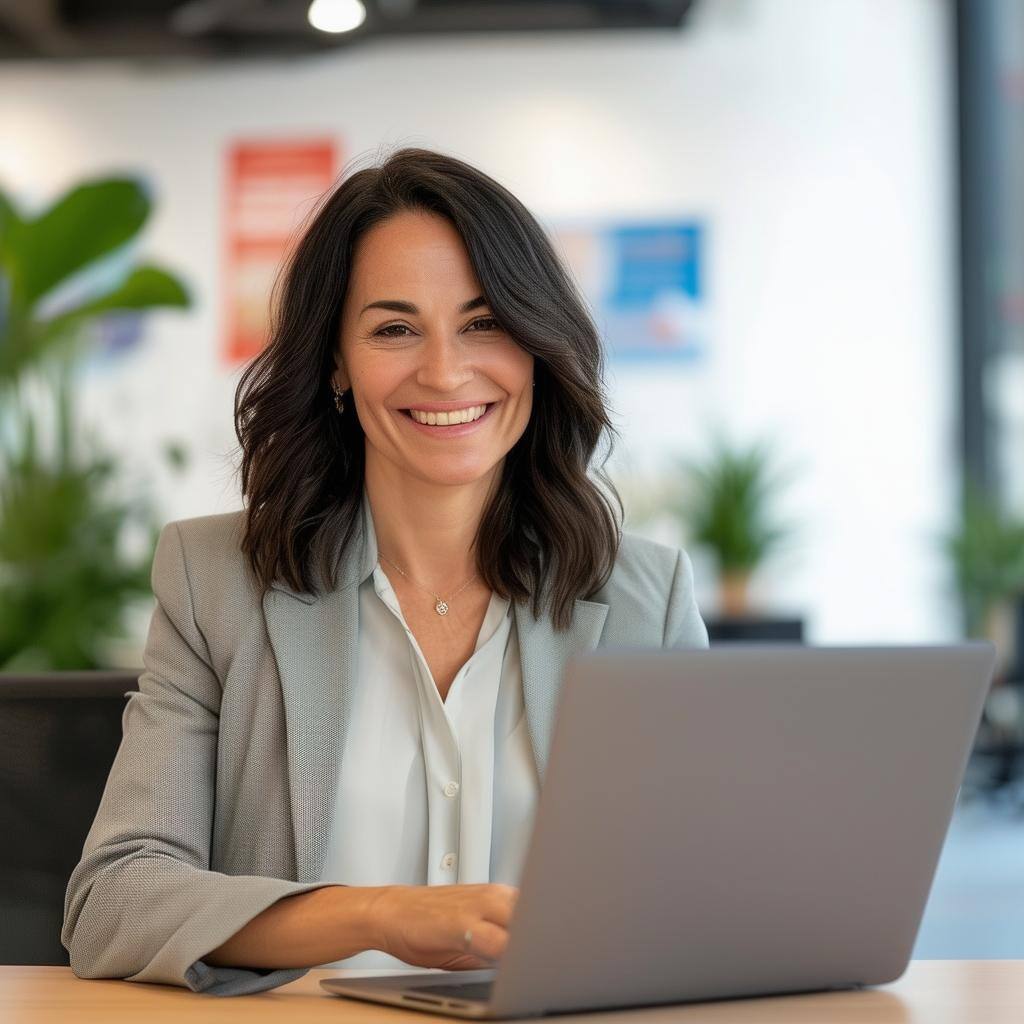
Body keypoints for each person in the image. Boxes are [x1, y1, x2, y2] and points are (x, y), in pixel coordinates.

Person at [61, 147, 708, 996]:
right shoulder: (214, 582)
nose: (444, 371)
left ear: (538, 345)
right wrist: (380, 916)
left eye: (484, 322)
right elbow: (114, 898)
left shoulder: (644, 603)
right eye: (394, 328)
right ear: (335, 361)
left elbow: (711, 894)